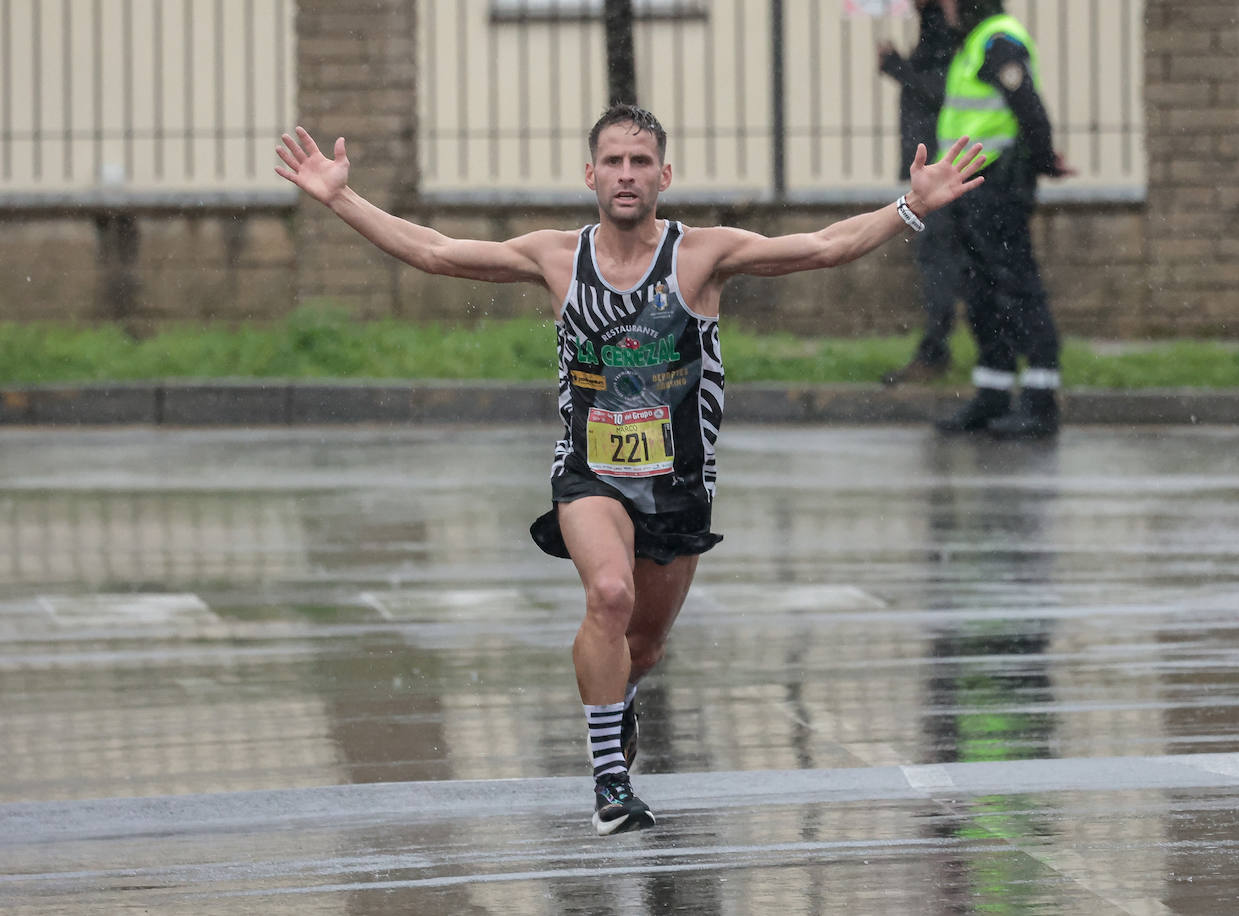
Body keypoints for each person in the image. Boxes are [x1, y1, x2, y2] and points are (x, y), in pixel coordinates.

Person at [274, 105, 985, 836]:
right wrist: (340, 199)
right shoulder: (555, 257)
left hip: (678, 486)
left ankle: (618, 700)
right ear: (590, 175)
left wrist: (911, 206)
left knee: (642, 644)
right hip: (590, 475)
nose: (625, 174)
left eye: (640, 162)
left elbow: (824, 246)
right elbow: (435, 250)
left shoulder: (701, 256)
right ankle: (610, 784)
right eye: (612, 161)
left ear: (664, 177)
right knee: (608, 596)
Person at [932, 0, 1074, 438]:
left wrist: (1046, 159)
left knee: (1015, 285)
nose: (944, 6)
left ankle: (1040, 398)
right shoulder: (975, 42)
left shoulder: (998, 40)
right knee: (982, 290)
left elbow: (1027, 102)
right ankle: (992, 394)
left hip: (998, 184)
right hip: (971, 186)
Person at [877, 0, 965, 384]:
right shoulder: (935, 23)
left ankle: (936, 353)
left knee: (940, 262)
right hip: (933, 171)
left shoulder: (950, 27)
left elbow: (943, 91)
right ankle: (943, 351)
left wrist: (897, 67)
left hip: (941, 173)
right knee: (943, 261)